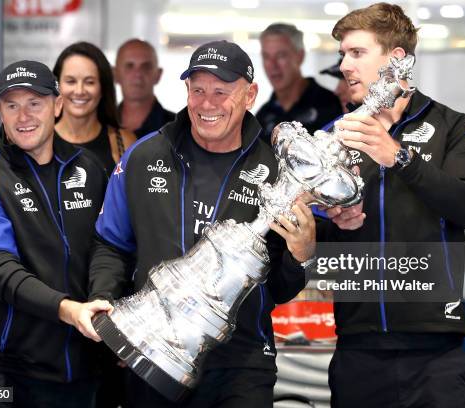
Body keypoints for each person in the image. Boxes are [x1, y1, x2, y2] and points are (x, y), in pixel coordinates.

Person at [68, 40, 316, 408]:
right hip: (154, 355)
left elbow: (277, 288)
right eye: (198, 89)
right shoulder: (145, 155)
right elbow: (111, 244)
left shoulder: (276, 174)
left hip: (241, 366)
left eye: (221, 91)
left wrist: (301, 257)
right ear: (185, 90)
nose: (207, 103)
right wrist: (109, 308)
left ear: (250, 95)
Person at [321, 3, 465, 407]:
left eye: (357, 53)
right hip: (357, 348)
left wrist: (398, 156)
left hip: (435, 353)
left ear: (396, 59)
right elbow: (305, 237)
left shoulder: (453, 125)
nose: (344, 65)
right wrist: (331, 220)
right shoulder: (333, 136)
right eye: (343, 54)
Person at [0, 60, 109, 407]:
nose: (23, 116)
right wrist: (69, 309)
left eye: (34, 103)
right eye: (12, 105)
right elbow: (1, 274)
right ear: (0, 111)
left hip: (78, 366)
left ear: (57, 105)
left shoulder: (90, 170)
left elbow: (108, 252)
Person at [53, 41, 136, 175]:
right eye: (71, 81)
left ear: (103, 87)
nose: (79, 91)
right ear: (57, 86)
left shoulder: (124, 142)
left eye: (89, 82)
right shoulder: (39, 139)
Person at [256, 23, 342, 143]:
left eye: (281, 56)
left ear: (300, 56)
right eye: (266, 57)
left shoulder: (330, 105)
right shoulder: (262, 116)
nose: (272, 65)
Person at [115, 39, 175, 138]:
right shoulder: (100, 126)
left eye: (146, 66)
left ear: (158, 74)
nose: (138, 74)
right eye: (129, 66)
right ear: (115, 74)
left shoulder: (181, 129)